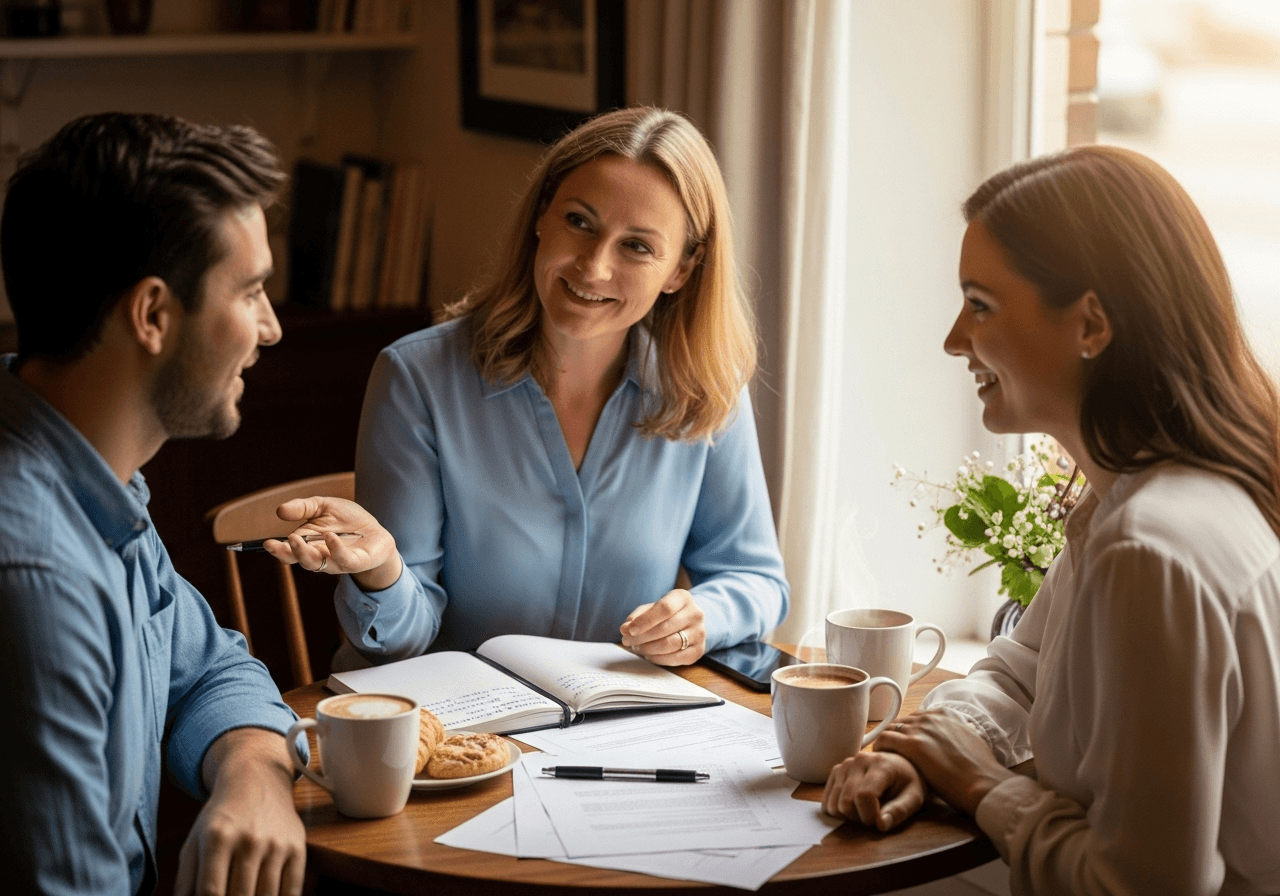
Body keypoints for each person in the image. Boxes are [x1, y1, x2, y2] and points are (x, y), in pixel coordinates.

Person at [820, 144, 1280, 895]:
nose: (953, 339)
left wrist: (976, 785)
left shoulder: (1154, 549)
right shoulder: (1130, 499)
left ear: (1091, 325)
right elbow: (1021, 670)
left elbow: (1140, 886)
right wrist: (927, 746)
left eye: (980, 304)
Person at [265, 106, 788, 666]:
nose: (593, 268)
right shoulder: (417, 378)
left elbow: (754, 578)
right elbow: (401, 640)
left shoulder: (705, 390)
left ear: (681, 270)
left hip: (615, 729)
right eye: (580, 223)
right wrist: (383, 572)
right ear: (543, 215)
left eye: (637, 246)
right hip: (460, 730)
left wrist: (705, 615)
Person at [0, 112, 307, 895]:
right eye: (250, 291)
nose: (269, 329)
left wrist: (255, 777)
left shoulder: (94, 474)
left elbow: (208, 671)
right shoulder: (39, 576)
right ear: (153, 315)